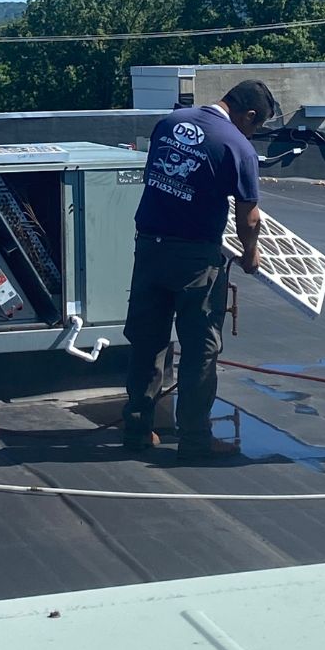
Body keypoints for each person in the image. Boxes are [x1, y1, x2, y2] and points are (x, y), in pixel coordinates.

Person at [122, 79, 275, 460]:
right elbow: (249, 217)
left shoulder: (170, 122)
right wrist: (250, 254)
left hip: (150, 248)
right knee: (200, 350)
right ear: (248, 115)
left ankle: (137, 430)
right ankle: (194, 440)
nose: (252, 133)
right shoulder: (236, 145)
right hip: (195, 259)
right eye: (255, 126)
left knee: (148, 343)